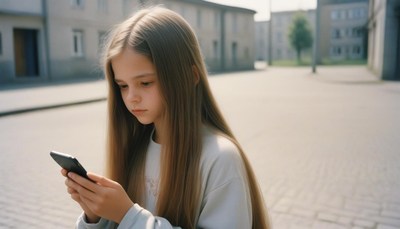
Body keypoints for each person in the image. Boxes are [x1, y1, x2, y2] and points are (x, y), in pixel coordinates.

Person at [61, 6, 271, 229]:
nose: (131, 97)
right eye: (122, 86)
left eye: (145, 83)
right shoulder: (134, 147)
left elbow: (129, 220)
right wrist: (95, 218)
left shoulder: (220, 158)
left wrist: (128, 216)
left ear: (190, 77)